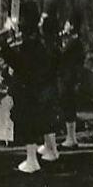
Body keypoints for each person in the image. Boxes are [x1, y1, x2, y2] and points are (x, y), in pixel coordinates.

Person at [2, 1, 48, 173]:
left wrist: (4, 48)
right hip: (31, 86)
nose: (18, 22)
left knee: (27, 121)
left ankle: (32, 160)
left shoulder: (31, 41)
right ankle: (31, 159)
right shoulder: (33, 38)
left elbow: (20, 64)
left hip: (27, 87)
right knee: (28, 121)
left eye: (21, 18)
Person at [37, 10, 63, 162]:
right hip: (51, 85)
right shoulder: (53, 44)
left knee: (47, 119)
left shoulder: (47, 46)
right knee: (47, 118)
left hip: (46, 86)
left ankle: (52, 150)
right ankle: (50, 147)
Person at [59, 11, 85, 149]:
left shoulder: (73, 41)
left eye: (67, 23)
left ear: (72, 25)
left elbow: (61, 56)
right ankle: (71, 137)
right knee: (69, 107)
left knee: (68, 107)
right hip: (70, 78)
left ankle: (71, 138)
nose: (65, 25)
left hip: (68, 78)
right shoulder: (75, 40)